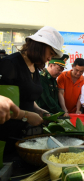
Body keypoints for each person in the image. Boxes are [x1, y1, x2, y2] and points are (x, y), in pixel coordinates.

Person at [0, 26, 64, 159]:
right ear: (41, 46)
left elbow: (27, 99)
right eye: (50, 53)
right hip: (6, 137)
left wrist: (40, 111)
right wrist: (26, 115)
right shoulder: (10, 64)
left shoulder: (34, 68)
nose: (50, 58)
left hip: (24, 136)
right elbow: (3, 106)